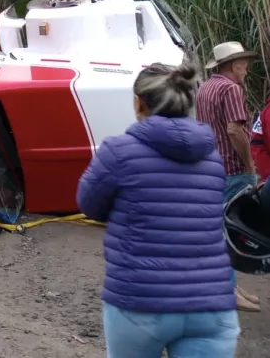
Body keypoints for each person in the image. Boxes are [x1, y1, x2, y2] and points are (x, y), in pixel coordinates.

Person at [77, 61, 239, 357]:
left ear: (139, 103)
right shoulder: (212, 158)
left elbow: (89, 205)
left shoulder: (118, 152)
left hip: (139, 300)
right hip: (211, 302)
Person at [196, 41, 262, 311]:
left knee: (218, 227)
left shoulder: (206, 87)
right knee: (230, 231)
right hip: (232, 169)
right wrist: (249, 166)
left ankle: (229, 285)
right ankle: (226, 289)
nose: (247, 68)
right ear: (234, 65)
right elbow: (235, 131)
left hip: (211, 165)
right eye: (244, 63)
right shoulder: (231, 89)